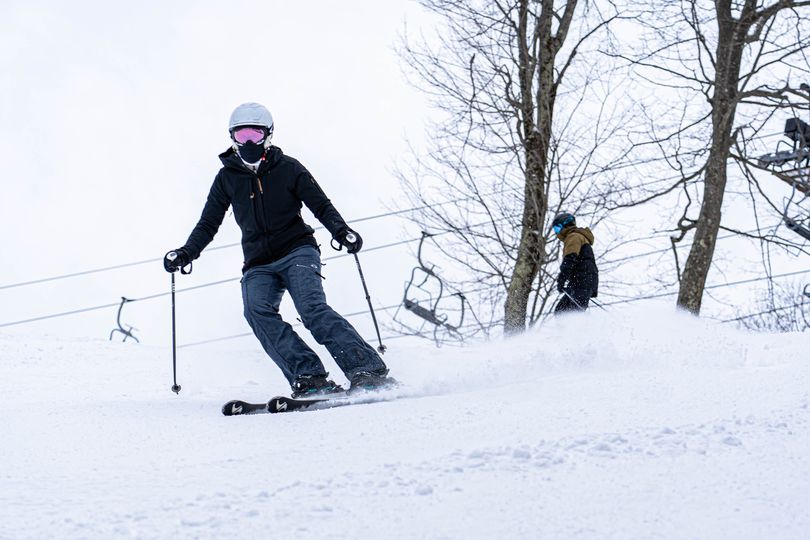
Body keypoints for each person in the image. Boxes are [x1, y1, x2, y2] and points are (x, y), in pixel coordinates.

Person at [164, 102, 393, 397]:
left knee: (311, 309)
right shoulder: (226, 179)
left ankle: (366, 369)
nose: (248, 142)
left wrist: (342, 230)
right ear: (232, 137)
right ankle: (309, 377)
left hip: (297, 250)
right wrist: (186, 253)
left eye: (254, 135)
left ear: (268, 136)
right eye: (242, 134)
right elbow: (209, 223)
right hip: (258, 263)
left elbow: (319, 204)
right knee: (256, 311)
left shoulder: (288, 168)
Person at [551, 212, 599, 313]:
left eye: (557, 229)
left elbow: (570, 259)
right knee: (560, 311)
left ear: (564, 225)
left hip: (582, 280)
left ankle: (577, 327)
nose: (556, 233)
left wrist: (561, 279)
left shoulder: (573, 237)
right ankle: (569, 327)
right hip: (581, 281)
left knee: (572, 312)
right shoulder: (577, 236)